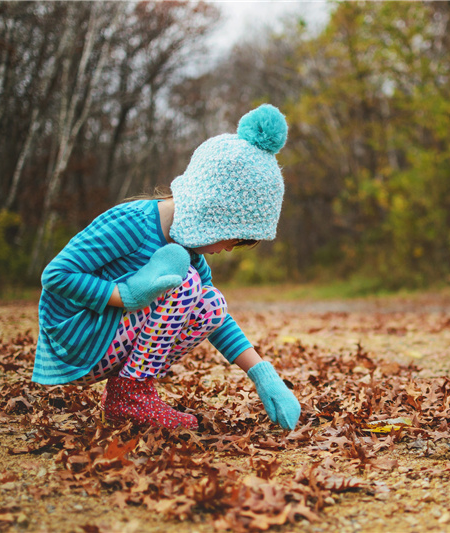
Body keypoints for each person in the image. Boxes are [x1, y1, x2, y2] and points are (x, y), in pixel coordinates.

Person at [32, 104, 300, 431]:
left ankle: (128, 393)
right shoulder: (132, 223)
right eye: (233, 237)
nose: (230, 248)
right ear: (212, 213)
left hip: (109, 339)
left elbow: (217, 322)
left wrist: (262, 374)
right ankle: (131, 395)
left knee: (211, 302)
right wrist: (127, 296)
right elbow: (55, 276)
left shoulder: (188, 249)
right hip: (77, 339)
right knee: (184, 282)